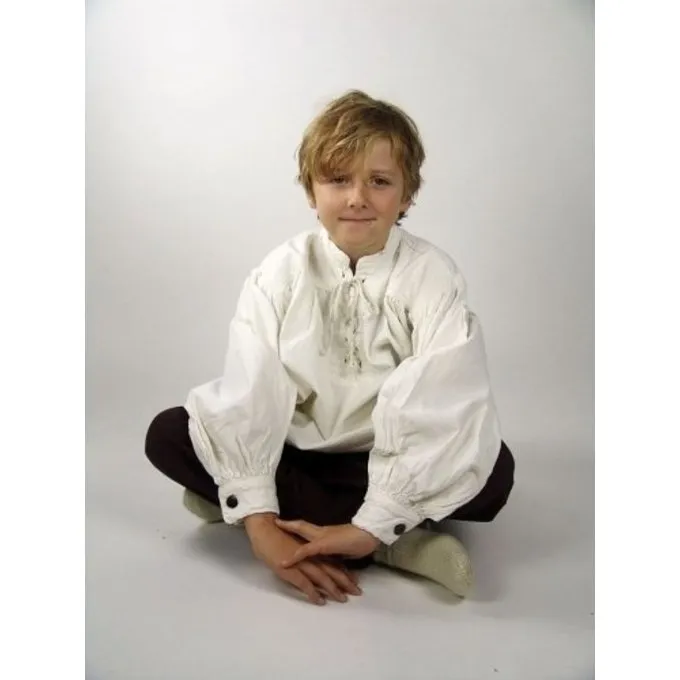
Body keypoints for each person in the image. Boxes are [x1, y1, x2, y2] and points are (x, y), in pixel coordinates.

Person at [145, 89, 515, 606]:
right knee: (169, 433)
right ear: (311, 191)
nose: (357, 198)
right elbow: (252, 387)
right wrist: (262, 530)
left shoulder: (432, 276)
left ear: (407, 194)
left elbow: (444, 395)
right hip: (297, 453)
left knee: (495, 471)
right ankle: (391, 542)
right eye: (338, 179)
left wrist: (377, 515)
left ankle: (347, 529)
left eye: (379, 181)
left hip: (384, 458)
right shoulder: (280, 271)